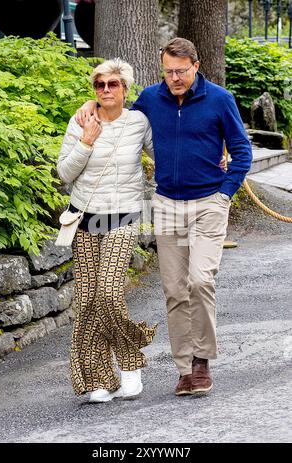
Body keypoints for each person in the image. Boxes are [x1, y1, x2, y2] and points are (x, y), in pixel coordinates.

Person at [75, 38, 252, 397]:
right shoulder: (152, 100)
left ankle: (202, 360)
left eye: (181, 71)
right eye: (168, 71)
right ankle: (185, 369)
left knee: (200, 281)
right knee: (174, 289)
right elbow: (119, 113)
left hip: (208, 203)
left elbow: (241, 151)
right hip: (168, 204)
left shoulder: (220, 99)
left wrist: (224, 194)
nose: (174, 78)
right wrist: (91, 103)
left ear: (196, 66)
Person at [57, 58, 157, 403]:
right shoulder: (81, 120)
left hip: (123, 217)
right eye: (99, 85)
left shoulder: (138, 122)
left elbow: (164, 155)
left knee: (108, 294)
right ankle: (98, 379)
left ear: (125, 89)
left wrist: (211, 158)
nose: (105, 91)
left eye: (112, 84)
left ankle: (130, 363)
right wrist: (86, 140)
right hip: (84, 219)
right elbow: (64, 174)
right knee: (86, 301)